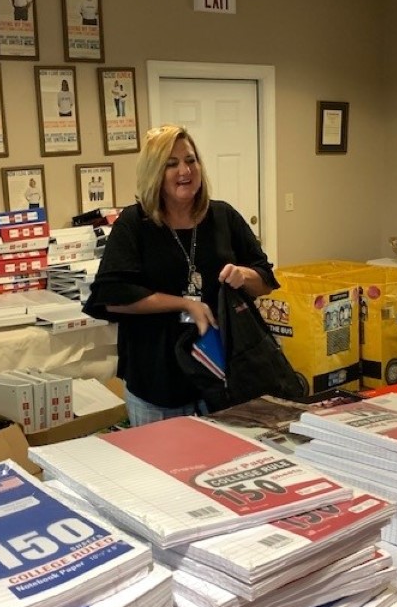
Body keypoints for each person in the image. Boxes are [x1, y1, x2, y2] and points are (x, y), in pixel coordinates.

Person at [83, 124, 279, 426]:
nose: (184, 171)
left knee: (224, 461)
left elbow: (265, 279)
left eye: (190, 160)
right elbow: (112, 296)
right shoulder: (135, 224)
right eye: (171, 164)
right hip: (158, 376)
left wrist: (245, 275)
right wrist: (185, 304)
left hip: (224, 373)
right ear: (154, 173)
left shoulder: (223, 216)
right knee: (162, 468)